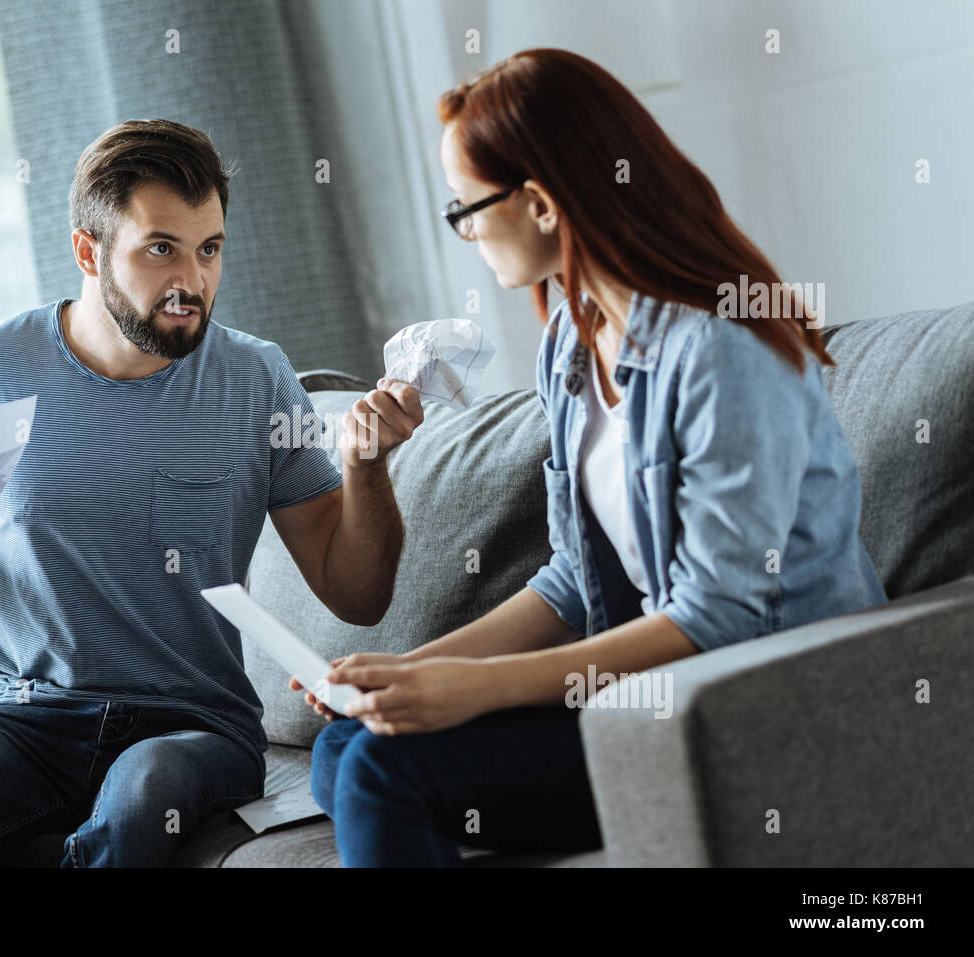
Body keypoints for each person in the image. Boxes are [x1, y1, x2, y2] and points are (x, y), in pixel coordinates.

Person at [295, 48, 888, 867]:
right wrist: (404, 673)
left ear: (539, 203)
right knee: (346, 747)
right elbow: (576, 578)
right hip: (660, 694)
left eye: (466, 206)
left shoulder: (719, 353)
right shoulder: (571, 344)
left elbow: (720, 614)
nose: (463, 231)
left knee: (382, 773)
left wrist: (473, 688)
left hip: (765, 704)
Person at [0, 118, 424, 867]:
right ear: (88, 249)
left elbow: (356, 594)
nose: (192, 284)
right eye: (161, 249)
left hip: (191, 728)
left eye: (210, 249)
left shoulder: (257, 379)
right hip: (18, 720)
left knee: (143, 795)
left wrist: (367, 467)